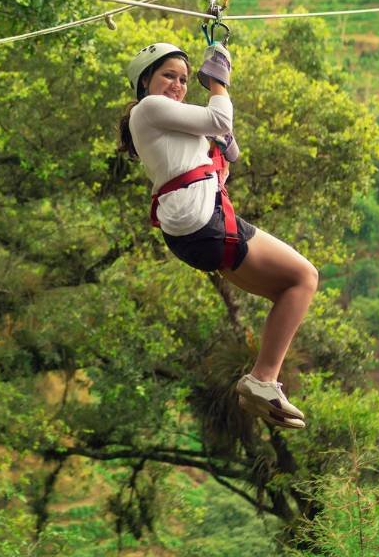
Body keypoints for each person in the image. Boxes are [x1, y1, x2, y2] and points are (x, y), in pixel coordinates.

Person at [118, 42, 318, 429]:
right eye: (168, 76)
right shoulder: (148, 107)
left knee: (289, 291)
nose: (177, 85)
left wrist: (217, 151)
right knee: (304, 277)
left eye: (184, 79)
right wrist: (218, 83)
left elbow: (208, 140)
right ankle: (261, 380)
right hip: (203, 226)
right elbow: (219, 118)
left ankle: (264, 380)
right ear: (145, 81)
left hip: (194, 232)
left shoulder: (163, 120)